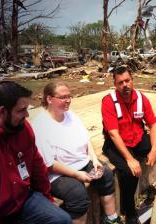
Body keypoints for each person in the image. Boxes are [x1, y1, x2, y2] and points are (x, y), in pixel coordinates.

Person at [31, 82, 122, 224]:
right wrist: (76, 174)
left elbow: (87, 140)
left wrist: (95, 159)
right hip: (58, 173)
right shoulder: (40, 125)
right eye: (63, 97)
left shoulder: (71, 115)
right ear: (49, 99)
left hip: (82, 163)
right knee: (77, 194)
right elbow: (50, 164)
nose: (68, 100)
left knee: (107, 175)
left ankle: (111, 218)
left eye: (69, 96)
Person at [101, 66, 156, 224]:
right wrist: (130, 159)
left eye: (127, 80)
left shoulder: (141, 98)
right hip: (116, 143)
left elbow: (153, 125)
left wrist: (154, 149)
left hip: (137, 138)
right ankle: (129, 211)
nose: (125, 85)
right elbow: (113, 134)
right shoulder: (109, 101)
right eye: (120, 82)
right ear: (115, 84)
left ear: (132, 80)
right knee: (128, 171)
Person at [0, 81, 71, 224]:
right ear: (2, 111)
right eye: (21, 110)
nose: (27, 114)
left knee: (62, 219)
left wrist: (47, 199)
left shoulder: (23, 128)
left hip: (23, 199)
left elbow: (37, 166)